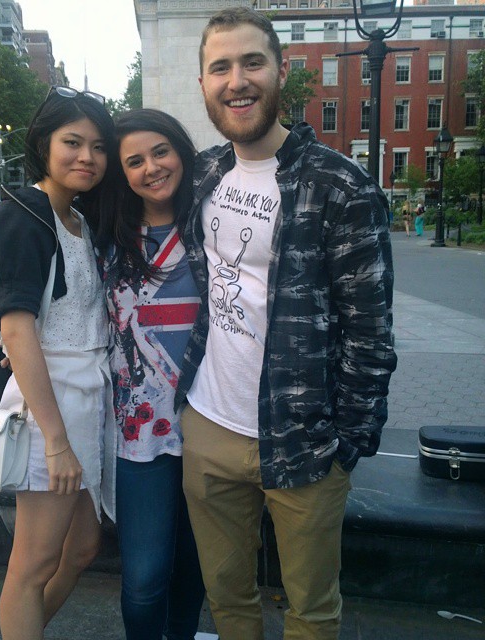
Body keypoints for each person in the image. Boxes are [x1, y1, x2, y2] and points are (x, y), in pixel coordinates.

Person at [174, 8, 397, 640]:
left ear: (280, 73)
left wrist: (349, 445)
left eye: (251, 63)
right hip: (210, 425)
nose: (236, 80)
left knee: (312, 611)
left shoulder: (340, 185)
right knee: (227, 598)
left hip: (306, 441)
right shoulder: (206, 174)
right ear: (203, 84)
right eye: (220, 67)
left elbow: (371, 331)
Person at [0, 86, 118, 640]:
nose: (87, 157)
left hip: (85, 399)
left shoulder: (75, 219)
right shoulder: (24, 217)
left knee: (81, 548)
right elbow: (16, 330)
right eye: (72, 143)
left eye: (98, 146)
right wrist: (55, 440)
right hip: (48, 409)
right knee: (31, 566)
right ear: (42, 145)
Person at [99, 109, 206, 640]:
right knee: (143, 579)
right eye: (134, 161)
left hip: (212, 429)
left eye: (160, 151)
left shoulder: (214, 223)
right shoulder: (106, 235)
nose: (151, 168)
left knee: (194, 568)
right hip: (138, 438)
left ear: (181, 151)